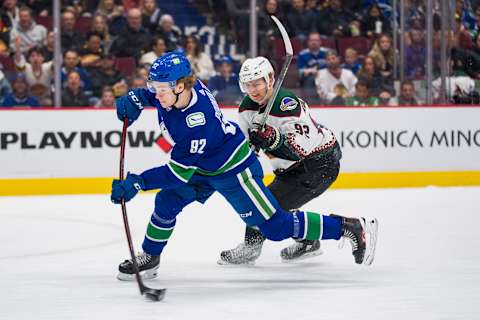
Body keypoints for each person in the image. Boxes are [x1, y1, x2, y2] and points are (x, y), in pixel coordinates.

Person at [110, 52, 378, 280]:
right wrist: (136, 98)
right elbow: (153, 95)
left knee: (274, 227)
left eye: (162, 89)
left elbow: (176, 173)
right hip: (202, 166)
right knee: (166, 203)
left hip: (233, 170)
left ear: (181, 86)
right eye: (154, 87)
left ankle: (349, 227)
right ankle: (150, 257)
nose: (156, 94)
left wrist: (138, 182)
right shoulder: (178, 90)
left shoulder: (197, 122)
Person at [218, 56, 363, 264]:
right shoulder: (247, 109)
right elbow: (246, 148)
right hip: (291, 170)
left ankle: (349, 227)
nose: (253, 90)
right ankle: (308, 241)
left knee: (265, 207)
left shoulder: (287, 105)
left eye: (257, 83)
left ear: (270, 79)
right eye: (248, 85)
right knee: (263, 201)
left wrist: (274, 139)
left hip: (317, 163)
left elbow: (301, 149)